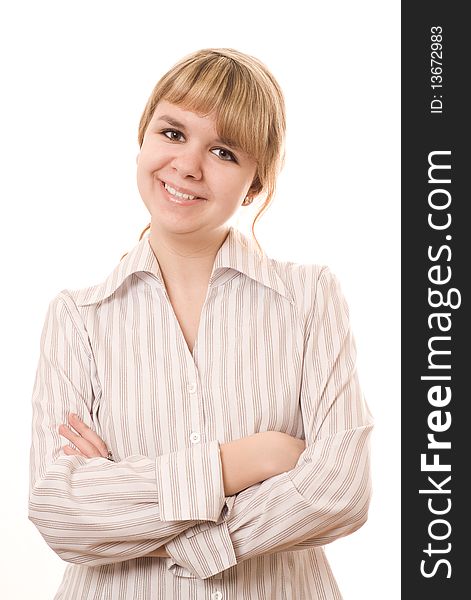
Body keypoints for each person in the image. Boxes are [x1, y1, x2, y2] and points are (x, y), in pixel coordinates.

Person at [28, 48, 373, 599]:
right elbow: (62, 514)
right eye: (171, 133)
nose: (187, 165)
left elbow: (340, 491)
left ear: (255, 185)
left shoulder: (309, 299)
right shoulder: (78, 318)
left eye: (222, 150)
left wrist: (148, 515)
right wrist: (247, 461)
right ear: (143, 138)